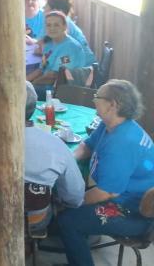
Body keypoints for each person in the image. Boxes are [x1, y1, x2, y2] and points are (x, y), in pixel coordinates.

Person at [0, 81, 84, 241]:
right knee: (56, 191)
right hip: (35, 220)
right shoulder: (56, 145)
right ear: (33, 109)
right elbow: (75, 196)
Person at [57, 80, 154, 266]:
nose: (94, 100)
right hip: (125, 195)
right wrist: (69, 159)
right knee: (72, 199)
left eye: (97, 97)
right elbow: (87, 145)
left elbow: (106, 192)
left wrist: (72, 201)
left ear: (112, 105)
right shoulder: (112, 124)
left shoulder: (122, 142)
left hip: (136, 212)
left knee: (68, 220)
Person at [27, 11, 85, 93]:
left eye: (56, 25)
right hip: (46, 85)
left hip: (63, 90)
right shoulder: (49, 43)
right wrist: (25, 82)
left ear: (64, 26)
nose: (52, 28)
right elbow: (41, 69)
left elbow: (53, 76)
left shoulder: (70, 47)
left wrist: (31, 86)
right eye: (49, 25)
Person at [44, 0, 96, 65]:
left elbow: (65, 61)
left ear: (56, 11)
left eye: (45, 8)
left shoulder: (64, 26)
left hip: (84, 67)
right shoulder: (62, 21)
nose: (43, 11)